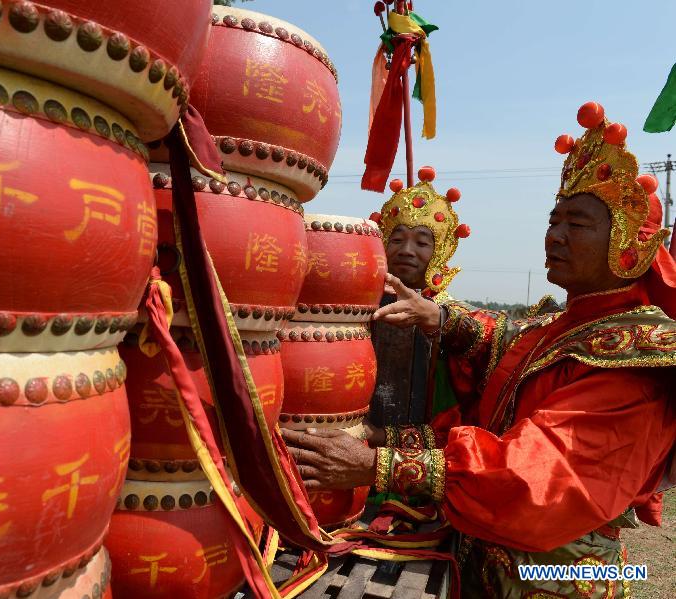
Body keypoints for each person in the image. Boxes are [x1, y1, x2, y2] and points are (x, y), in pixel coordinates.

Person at [284, 102, 676, 597]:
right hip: (484, 558)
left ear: (626, 245)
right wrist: (442, 321)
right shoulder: (567, 325)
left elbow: (538, 477)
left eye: (576, 225)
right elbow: (507, 355)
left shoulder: (637, 354)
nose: (554, 235)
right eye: (554, 220)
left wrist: (378, 463)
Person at [369, 169, 470, 426]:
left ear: (440, 252)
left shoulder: (452, 318)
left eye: (422, 243)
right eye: (398, 239)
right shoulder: (360, 303)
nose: (406, 250)